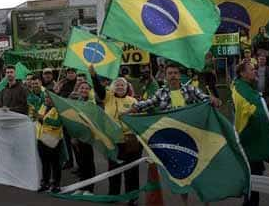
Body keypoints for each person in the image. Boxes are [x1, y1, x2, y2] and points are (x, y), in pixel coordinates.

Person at [130, 63, 219, 206]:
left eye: (175, 73)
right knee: (182, 174)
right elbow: (148, 103)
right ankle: (185, 203)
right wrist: (133, 108)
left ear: (179, 75)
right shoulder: (161, 93)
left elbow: (205, 99)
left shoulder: (190, 89)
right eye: (170, 73)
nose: (173, 76)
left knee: (200, 171)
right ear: (165, 76)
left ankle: (205, 201)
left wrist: (213, 100)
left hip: (193, 138)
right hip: (175, 142)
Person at [90, 65, 140, 205]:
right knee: (114, 169)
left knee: (131, 171)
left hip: (130, 141)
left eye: (122, 85)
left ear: (126, 87)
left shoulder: (133, 101)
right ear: (113, 87)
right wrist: (94, 76)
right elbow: (99, 89)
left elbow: (139, 118)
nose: (119, 87)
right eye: (117, 85)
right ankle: (113, 195)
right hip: (113, 141)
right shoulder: (108, 97)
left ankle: (132, 197)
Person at [234, 62, 268, 206]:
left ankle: (250, 201)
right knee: (254, 175)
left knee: (255, 174)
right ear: (242, 73)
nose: (255, 71)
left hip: (252, 138)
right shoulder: (241, 89)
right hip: (248, 139)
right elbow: (253, 111)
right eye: (251, 69)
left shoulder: (247, 87)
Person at [69, 80, 96, 194]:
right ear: (78, 90)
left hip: (88, 136)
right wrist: (73, 136)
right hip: (77, 136)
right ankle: (82, 186)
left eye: (86, 88)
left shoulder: (91, 103)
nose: (84, 90)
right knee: (81, 163)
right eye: (82, 88)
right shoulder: (75, 102)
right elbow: (72, 121)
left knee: (88, 162)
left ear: (89, 91)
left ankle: (89, 188)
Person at [36, 92, 63, 193]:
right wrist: (39, 119)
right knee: (45, 163)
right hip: (41, 138)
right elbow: (39, 120)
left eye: (49, 97)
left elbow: (58, 123)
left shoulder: (59, 109)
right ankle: (45, 183)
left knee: (55, 163)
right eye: (46, 97)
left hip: (53, 140)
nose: (47, 99)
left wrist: (44, 119)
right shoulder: (43, 106)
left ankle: (56, 184)